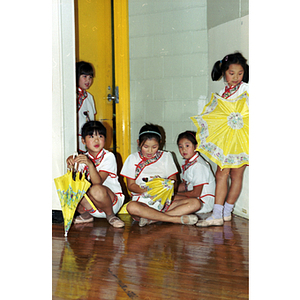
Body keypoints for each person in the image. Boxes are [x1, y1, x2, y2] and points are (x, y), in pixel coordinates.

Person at [196, 52, 249, 227]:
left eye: (240, 73)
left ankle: (223, 213)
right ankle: (222, 213)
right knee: (223, 173)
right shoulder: (222, 93)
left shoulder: (246, 90)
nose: (235, 77)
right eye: (232, 73)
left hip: (242, 138)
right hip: (228, 139)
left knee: (235, 174)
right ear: (224, 72)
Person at [120, 123, 200, 227]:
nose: (150, 151)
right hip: (143, 201)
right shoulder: (132, 158)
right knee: (131, 207)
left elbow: (174, 182)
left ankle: (152, 219)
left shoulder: (166, 156)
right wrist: (150, 190)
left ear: (160, 143)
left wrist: (164, 187)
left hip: (163, 200)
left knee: (196, 203)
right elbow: (131, 186)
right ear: (138, 143)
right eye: (145, 147)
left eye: (154, 147)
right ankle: (174, 219)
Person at [66, 121, 125, 228]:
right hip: (92, 205)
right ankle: (86, 215)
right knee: (72, 190)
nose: (96, 140)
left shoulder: (108, 156)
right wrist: (71, 165)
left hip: (111, 203)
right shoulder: (82, 158)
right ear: (83, 140)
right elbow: (75, 182)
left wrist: (89, 164)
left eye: (100, 136)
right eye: (91, 136)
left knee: (96, 189)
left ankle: (111, 216)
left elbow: (98, 182)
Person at [175, 131, 215, 214]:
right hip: (194, 198)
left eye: (187, 145)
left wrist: (175, 195)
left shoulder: (199, 165)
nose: (183, 149)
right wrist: (169, 190)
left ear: (196, 146)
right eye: (180, 146)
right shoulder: (187, 162)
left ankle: (156, 218)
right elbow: (185, 185)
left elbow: (196, 193)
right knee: (166, 197)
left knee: (170, 200)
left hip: (202, 203)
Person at [76, 61, 97, 153]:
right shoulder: (72, 95)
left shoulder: (90, 97)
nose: (88, 80)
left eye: (90, 77)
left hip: (87, 139)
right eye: (84, 76)